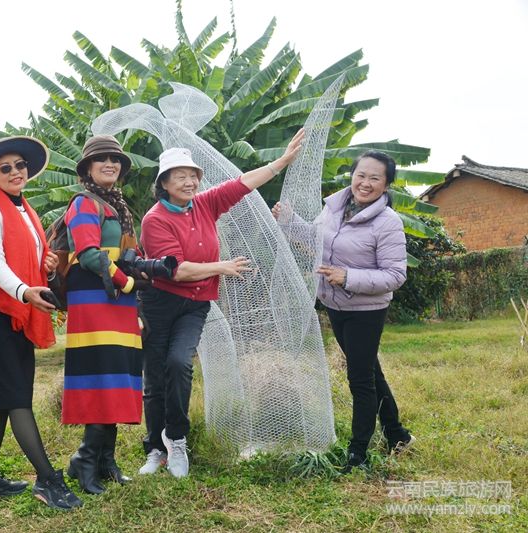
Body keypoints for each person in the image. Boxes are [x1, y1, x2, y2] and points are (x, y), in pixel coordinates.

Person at [139, 130, 305, 478]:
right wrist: (221, 267)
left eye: (193, 175)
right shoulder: (155, 219)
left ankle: (177, 440)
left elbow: (242, 184)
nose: (189, 182)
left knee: (179, 363)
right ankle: (155, 448)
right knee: (155, 377)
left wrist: (282, 161)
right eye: (180, 176)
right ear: (164, 183)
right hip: (160, 303)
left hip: (194, 305)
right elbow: (177, 270)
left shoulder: (205, 203)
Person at [275, 150, 414, 471]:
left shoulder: (388, 222)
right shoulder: (334, 207)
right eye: (360, 175)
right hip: (335, 304)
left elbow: (395, 275)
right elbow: (316, 241)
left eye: (375, 178)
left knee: (360, 379)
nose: (365, 183)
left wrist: (347, 277)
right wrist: (290, 220)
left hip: (366, 310)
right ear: (352, 176)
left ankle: (358, 452)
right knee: (370, 371)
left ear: (386, 184)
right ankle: (396, 434)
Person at [0, 136, 82, 510]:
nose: (15, 172)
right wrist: (24, 291)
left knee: (3, 400)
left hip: (16, 301)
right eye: (6, 168)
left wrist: (43, 266)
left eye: (20, 165)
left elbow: (30, 259)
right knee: (16, 396)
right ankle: (47, 480)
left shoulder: (25, 211)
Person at [61, 135, 143, 495]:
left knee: (115, 376)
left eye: (115, 159)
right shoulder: (84, 203)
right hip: (95, 299)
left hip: (117, 301)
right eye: (102, 159)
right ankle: (86, 459)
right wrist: (127, 281)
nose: (110, 164)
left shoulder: (118, 206)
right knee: (100, 374)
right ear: (88, 169)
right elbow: (89, 253)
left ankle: (105, 460)